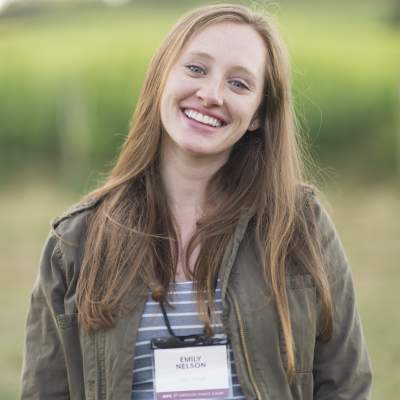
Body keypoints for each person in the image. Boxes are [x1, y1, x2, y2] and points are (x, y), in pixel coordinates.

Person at [20, 3, 372, 400]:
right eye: (195, 69)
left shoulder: (299, 225)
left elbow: (345, 385)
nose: (211, 95)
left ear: (258, 115)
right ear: (160, 80)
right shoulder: (76, 241)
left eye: (239, 84)